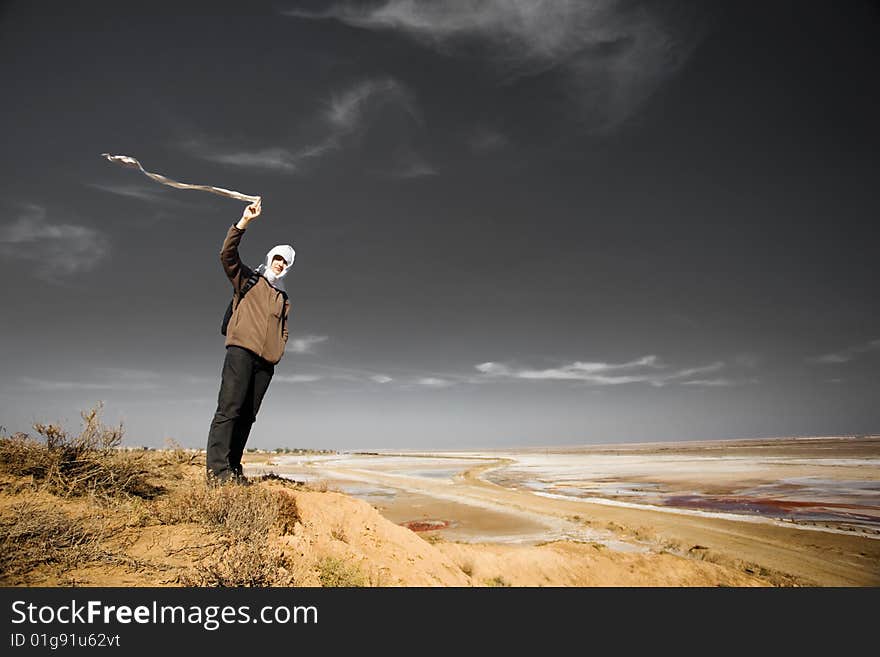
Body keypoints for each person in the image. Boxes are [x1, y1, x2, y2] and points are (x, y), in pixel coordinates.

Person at [206, 200, 294, 483]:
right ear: (269, 258)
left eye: (285, 261)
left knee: (247, 417)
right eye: (277, 258)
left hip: (265, 363)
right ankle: (216, 472)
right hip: (241, 352)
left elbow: (283, 328)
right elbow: (227, 254)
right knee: (229, 409)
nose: (279, 264)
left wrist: (278, 350)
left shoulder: (283, 297)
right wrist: (244, 222)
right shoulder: (249, 279)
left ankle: (232, 468)